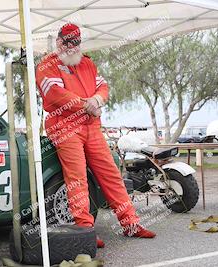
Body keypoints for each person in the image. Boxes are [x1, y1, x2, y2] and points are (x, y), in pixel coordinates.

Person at [36, 23, 156, 248]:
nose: (70, 47)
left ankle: (131, 224)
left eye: (75, 43)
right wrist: (86, 105)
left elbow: (103, 87)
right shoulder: (47, 64)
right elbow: (54, 94)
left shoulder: (87, 63)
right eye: (66, 42)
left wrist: (97, 101)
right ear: (58, 41)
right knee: (77, 178)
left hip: (91, 126)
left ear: (79, 43)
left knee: (111, 174)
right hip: (65, 127)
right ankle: (85, 230)